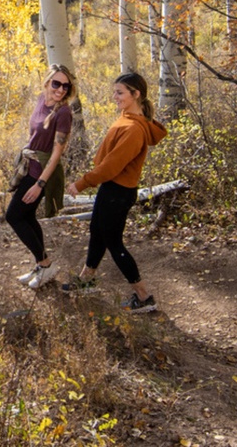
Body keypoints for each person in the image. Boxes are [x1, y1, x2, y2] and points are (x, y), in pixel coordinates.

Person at [61, 72, 166, 313]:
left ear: (136, 94)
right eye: (115, 92)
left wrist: (82, 183)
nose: (114, 97)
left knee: (114, 243)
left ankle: (144, 296)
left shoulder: (134, 129)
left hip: (118, 192)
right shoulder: (128, 119)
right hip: (112, 189)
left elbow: (112, 165)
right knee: (97, 232)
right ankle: (86, 279)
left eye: (120, 93)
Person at [5, 64, 77, 290]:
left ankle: (46, 264)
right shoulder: (40, 100)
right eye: (56, 83)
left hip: (42, 172)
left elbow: (57, 153)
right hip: (29, 166)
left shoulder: (64, 112)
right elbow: (34, 133)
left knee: (14, 216)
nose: (61, 89)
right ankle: (41, 265)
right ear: (47, 82)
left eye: (66, 85)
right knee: (26, 217)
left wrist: (40, 184)